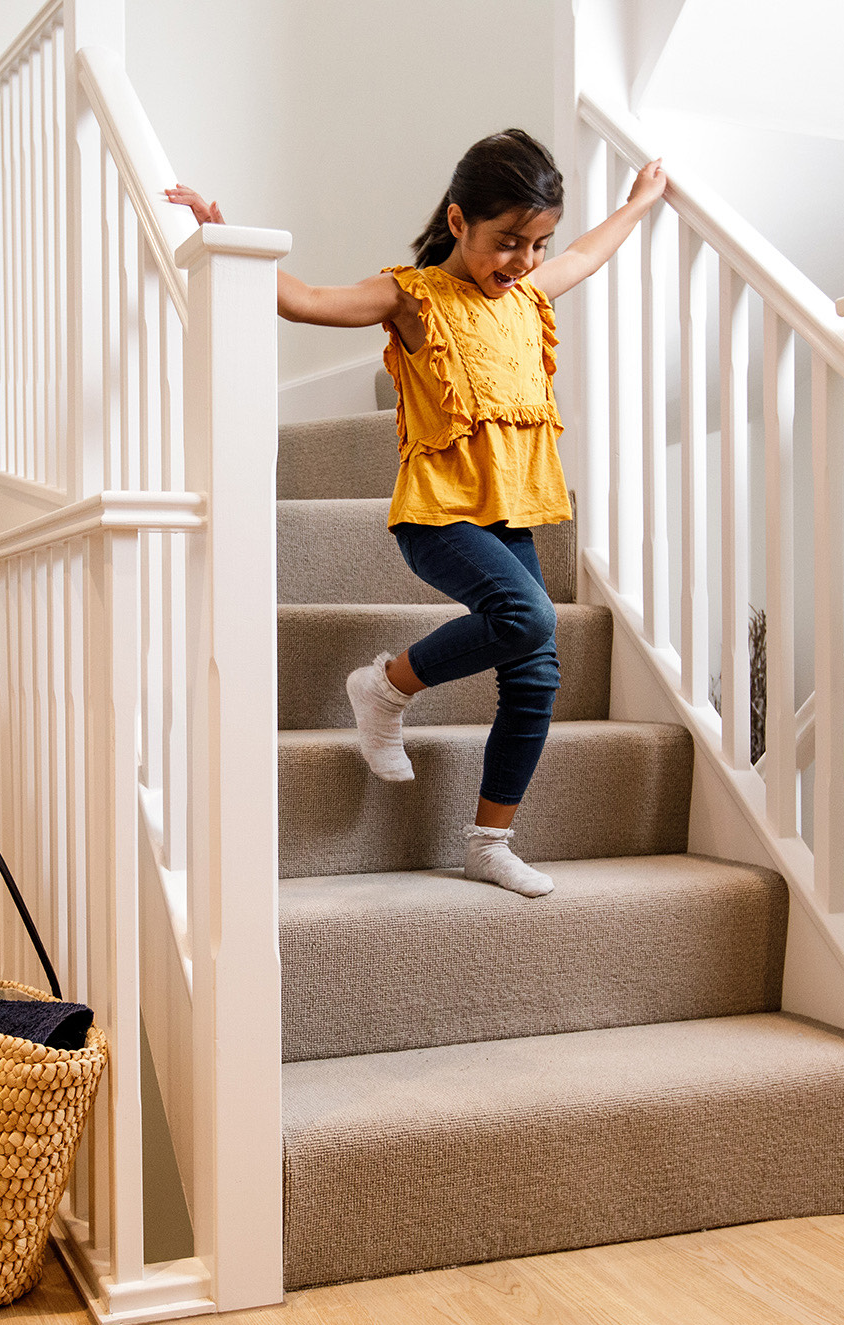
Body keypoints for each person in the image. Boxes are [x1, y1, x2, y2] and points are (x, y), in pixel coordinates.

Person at [167, 131, 667, 898]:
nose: (525, 262)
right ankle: (387, 684)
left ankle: (488, 841)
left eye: (538, 244)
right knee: (529, 614)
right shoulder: (413, 295)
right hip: (438, 518)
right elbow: (304, 301)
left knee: (536, 668)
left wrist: (637, 204)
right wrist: (224, 239)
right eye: (507, 242)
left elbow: (589, 256)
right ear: (459, 221)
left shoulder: (529, 294)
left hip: (509, 514)